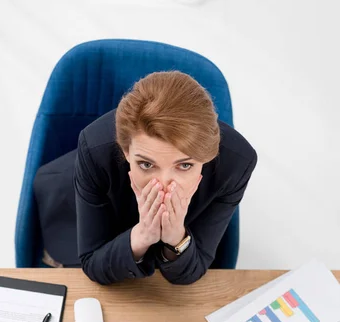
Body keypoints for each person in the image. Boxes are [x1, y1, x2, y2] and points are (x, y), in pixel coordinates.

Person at [34, 70, 257, 285]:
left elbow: (194, 269)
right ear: (125, 150)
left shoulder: (236, 163)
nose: (164, 184)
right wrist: (142, 235)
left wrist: (176, 238)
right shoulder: (95, 148)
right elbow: (93, 262)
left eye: (185, 165)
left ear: (206, 159)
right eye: (146, 164)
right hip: (73, 202)